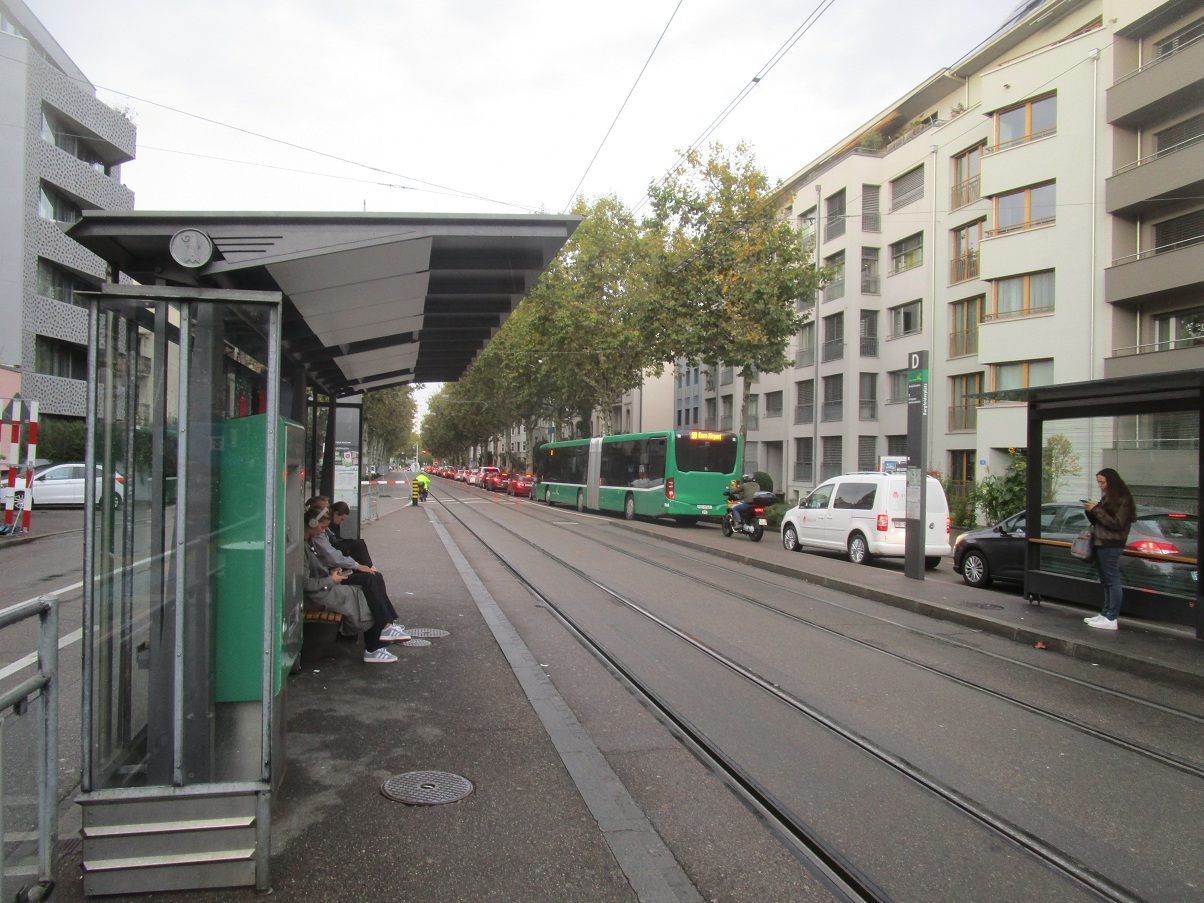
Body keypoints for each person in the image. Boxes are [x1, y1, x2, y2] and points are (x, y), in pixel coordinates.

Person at [303, 505, 408, 662]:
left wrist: (331, 573)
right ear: (312, 523)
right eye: (322, 527)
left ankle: (386, 627)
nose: (323, 531)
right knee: (366, 592)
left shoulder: (308, 541)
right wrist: (331, 580)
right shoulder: (304, 546)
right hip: (320, 591)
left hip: (325, 584)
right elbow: (305, 582)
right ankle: (376, 642)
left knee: (372, 579)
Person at [1082, 467, 1136, 631]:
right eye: (1098, 482)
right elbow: (1099, 522)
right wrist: (1090, 511)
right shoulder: (1109, 497)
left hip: (1111, 543)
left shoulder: (1122, 499)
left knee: (1112, 581)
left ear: (1111, 482)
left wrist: (1096, 510)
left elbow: (1116, 523)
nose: (1100, 485)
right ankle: (1105, 613)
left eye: (1102, 482)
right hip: (1102, 541)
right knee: (1106, 580)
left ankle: (1111, 617)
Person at [329, 500, 373, 566]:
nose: (341, 522)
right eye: (341, 519)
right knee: (358, 545)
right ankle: (367, 566)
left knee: (359, 543)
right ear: (336, 513)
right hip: (333, 545)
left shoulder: (333, 524)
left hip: (335, 542)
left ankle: (367, 565)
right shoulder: (328, 523)